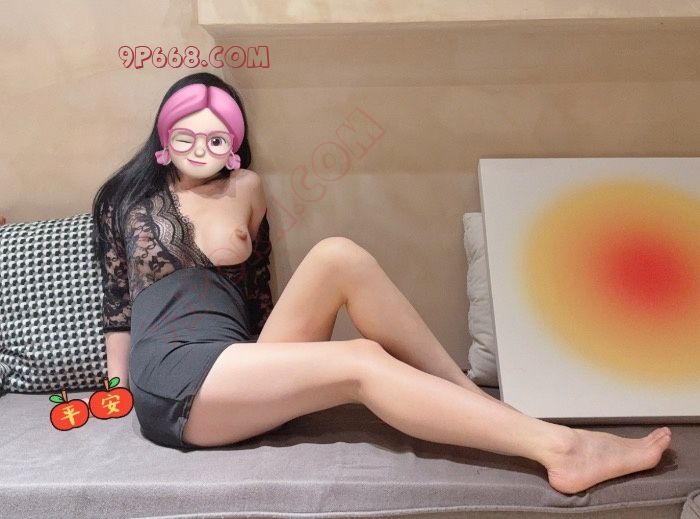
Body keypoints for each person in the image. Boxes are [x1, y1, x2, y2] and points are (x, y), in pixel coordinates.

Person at [92, 72, 671, 495]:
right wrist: (116, 392)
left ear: (234, 142)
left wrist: (279, 377)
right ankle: (561, 447)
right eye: (186, 136)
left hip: (235, 362)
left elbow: (258, 293)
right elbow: (118, 308)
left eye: (216, 138)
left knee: (337, 254)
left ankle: (478, 404)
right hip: (173, 380)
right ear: (166, 135)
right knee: (361, 359)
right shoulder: (125, 196)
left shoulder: (247, 188)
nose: (201, 148)